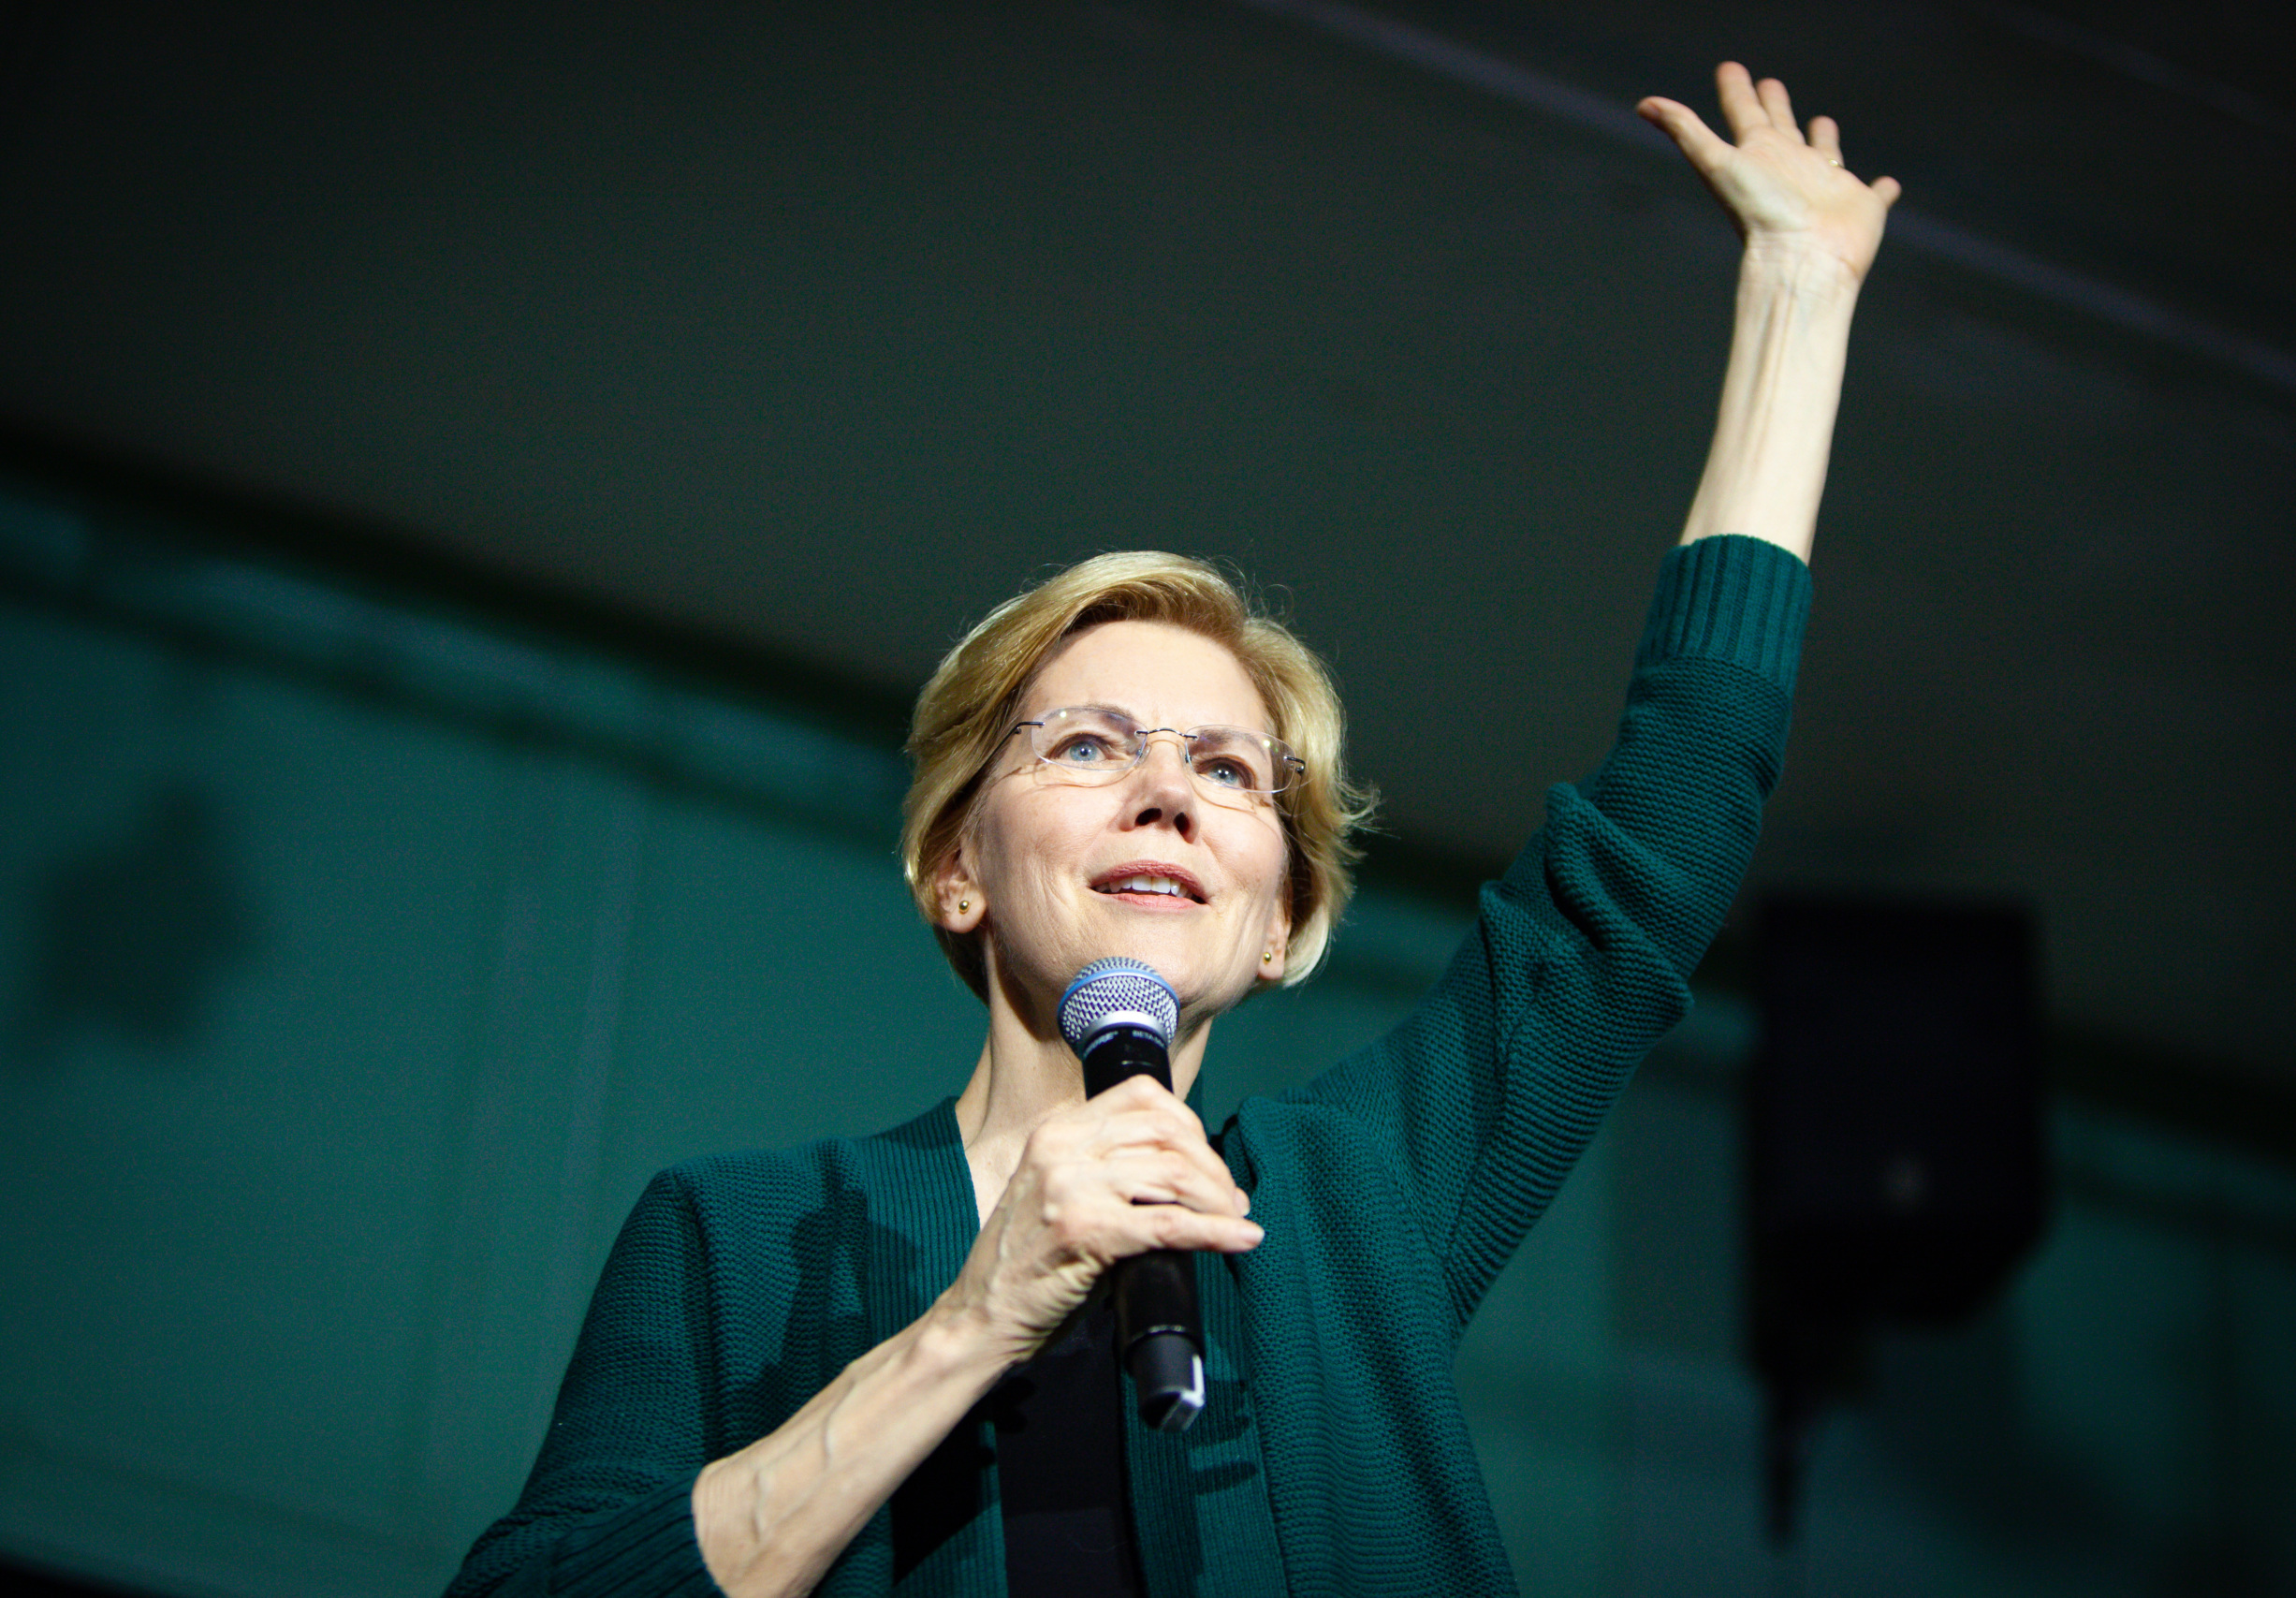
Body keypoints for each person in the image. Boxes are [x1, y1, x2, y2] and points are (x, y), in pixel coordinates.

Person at [447, 62, 1898, 1598]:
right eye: (1088, 745)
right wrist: (972, 1322)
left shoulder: (1361, 1202)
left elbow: (1664, 823)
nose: (1167, 794)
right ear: (956, 868)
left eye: (1227, 772)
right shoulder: (742, 1239)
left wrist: (1799, 296)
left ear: (1279, 917)